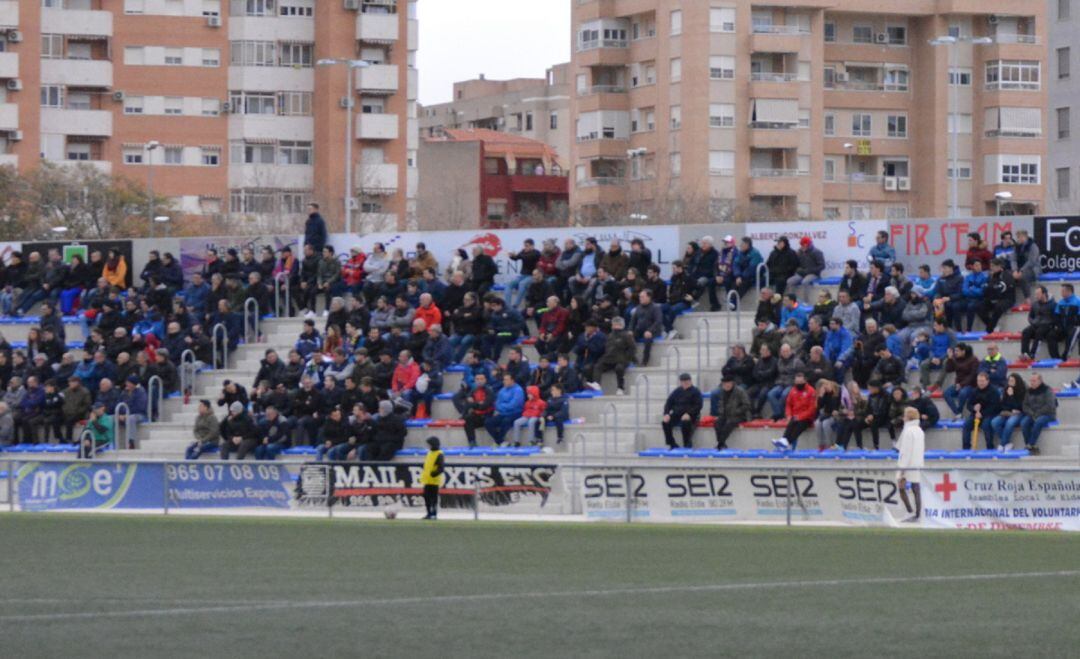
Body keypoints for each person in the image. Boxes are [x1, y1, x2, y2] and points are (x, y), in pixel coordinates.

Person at [771, 372, 817, 451]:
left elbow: (812, 409)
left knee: (798, 426)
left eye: (800, 382)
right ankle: (784, 440)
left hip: (807, 418)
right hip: (795, 416)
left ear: (805, 381)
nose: (799, 384)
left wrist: (800, 417)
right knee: (791, 423)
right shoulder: (793, 390)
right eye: (797, 382)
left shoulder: (811, 391)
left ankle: (786, 443)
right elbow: (788, 404)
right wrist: (788, 415)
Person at [896, 407, 925, 523]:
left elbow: (906, 451)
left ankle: (910, 512)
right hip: (917, 463)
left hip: (907, 464)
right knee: (916, 488)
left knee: (901, 487)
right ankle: (918, 514)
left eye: (904, 415)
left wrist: (902, 469)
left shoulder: (908, 431)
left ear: (908, 417)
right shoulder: (920, 430)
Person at [661, 373, 703, 449]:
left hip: (692, 415)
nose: (685, 383)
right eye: (683, 382)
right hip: (677, 414)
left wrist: (689, 414)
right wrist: (666, 413)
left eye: (687, 381)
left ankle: (687, 444)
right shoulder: (677, 391)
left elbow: (698, 406)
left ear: (690, 381)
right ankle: (672, 443)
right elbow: (669, 403)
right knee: (665, 422)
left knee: (685, 422)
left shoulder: (696, 391)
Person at [962, 372, 1000, 450]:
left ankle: (990, 448)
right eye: (979, 381)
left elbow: (994, 407)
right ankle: (966, 449)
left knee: (986, 425)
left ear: (987, 381)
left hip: (990, 414)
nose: (980, 383)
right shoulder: (974, 391)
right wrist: (974, 408)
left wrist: (982, 414)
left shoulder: (994, 391)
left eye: (982, 381)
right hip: (976, 414)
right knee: (966, 425)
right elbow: (968, 405)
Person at [710, 375, 750, 450]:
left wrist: (736, 411)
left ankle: (720, 444)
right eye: (724, 384)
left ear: (732, 383)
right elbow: (720, 404)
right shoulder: (722, 392)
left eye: (728, 383)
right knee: (717, 423)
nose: (726, 386)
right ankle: (722, 443)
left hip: (740, 415)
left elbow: (747, 405)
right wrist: (721, 412)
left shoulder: (740, 391)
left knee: (729, 423)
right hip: (726, 414)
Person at [990, 373, 1027, 451]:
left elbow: (1020, 407)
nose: (1010, 382)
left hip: (1019, 413)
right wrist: (1010, 410)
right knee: (994, 422)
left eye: (1012, 381)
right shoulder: (1006, 389)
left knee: (1010, 423)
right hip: (1008, 413)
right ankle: (1007, 443)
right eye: (1009, 380)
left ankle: (1002, 444)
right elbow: (1003, 405)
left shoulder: (1023, 391)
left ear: (1017, 381)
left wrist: (1011, 396)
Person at [486, 373, 524, 446]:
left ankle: (499, 441)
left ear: (512, 380)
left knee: (506, 421)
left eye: (506, 380)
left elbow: (513, 405)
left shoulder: (518, 390)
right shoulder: (502, 390)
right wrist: (502, 407)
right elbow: (497, 403)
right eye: (504, 380)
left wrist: (502, 406)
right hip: (503, 413)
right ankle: (500, 441)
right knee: (488, 422)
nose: (504, 381)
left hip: (515, 413)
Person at [787, 236, 825, 303]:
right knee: (790, 281)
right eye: (802, 245)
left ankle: (806, 301)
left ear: (808, 244)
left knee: (805, 282)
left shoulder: (817, 252)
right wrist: (798, 270)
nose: (803, 246)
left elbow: (822, 266)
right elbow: (796, 265)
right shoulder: (799, 252)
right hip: (802, 274)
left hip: (814, 274)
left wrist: (810, 270)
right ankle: (792, 301)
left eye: (804, 245)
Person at [420, 436, 445, 520]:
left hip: (434, 481)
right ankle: (429, 513)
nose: (428, 446)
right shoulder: (429, 453)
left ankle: (434, 514)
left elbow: (441, 468)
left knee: (433, 498)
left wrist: (433, 474)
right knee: (427, 497)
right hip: (427, 480)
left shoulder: (439, 454)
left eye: (429, 444)